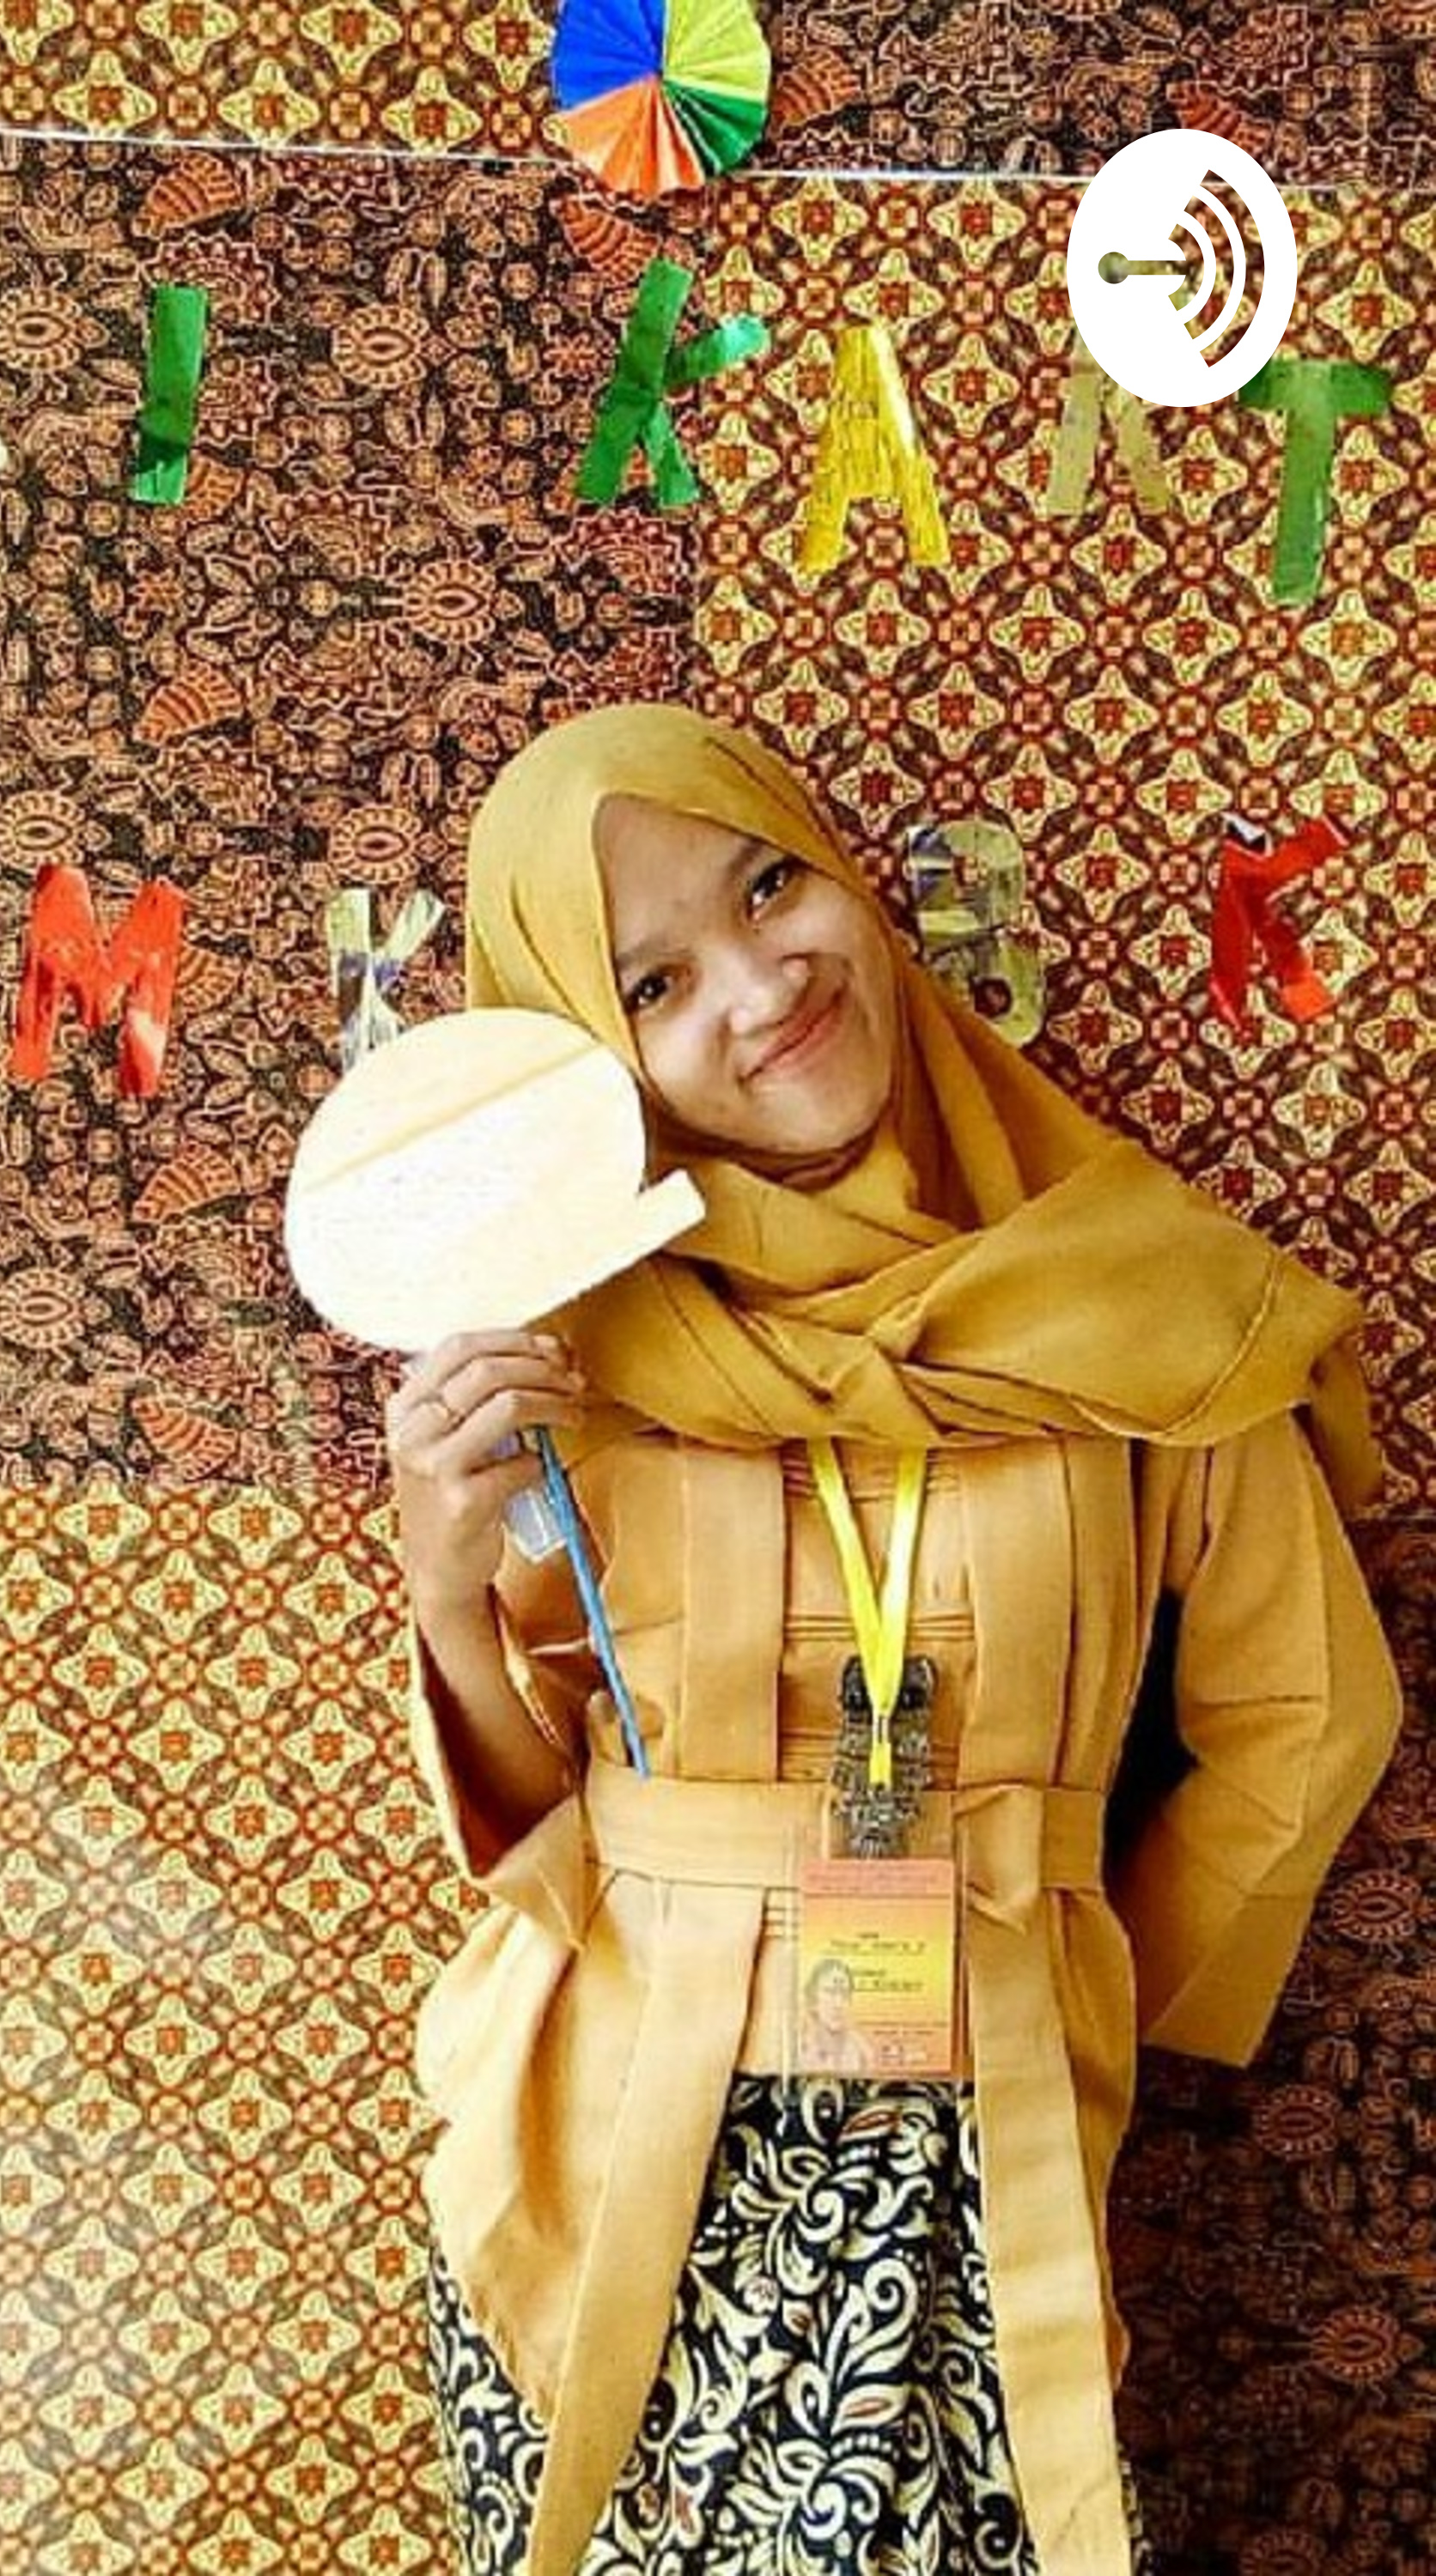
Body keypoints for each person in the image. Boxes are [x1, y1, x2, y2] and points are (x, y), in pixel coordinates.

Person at [387, 704, 1402, 2576]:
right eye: (654, 980)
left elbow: (1309, 1711)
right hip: (607, 2163)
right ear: (589, 1044)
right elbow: (541, 1826)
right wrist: (447, 1581)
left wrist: (1058, 1951)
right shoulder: (563, 1351)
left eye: (771, 883)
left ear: (853, 881)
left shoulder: (1147, 1299)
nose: (760, 985)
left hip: (981, 2154)